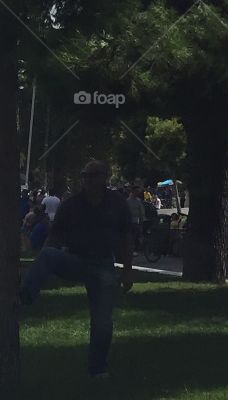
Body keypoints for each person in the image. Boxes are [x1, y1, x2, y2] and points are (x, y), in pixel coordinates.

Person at [19, 160, 133, 380]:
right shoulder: (71, 204)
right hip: (77, 260)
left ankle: (97, 368)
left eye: (93, 175)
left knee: (102, 321)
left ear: (104, 177)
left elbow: (127, 237)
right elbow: (55, 235)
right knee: (48, 255)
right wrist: (43, 265)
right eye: (85, 176)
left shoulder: (116, 203)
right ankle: (25, 296)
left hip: (103, 266)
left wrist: (127, 270)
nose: (87, 180)